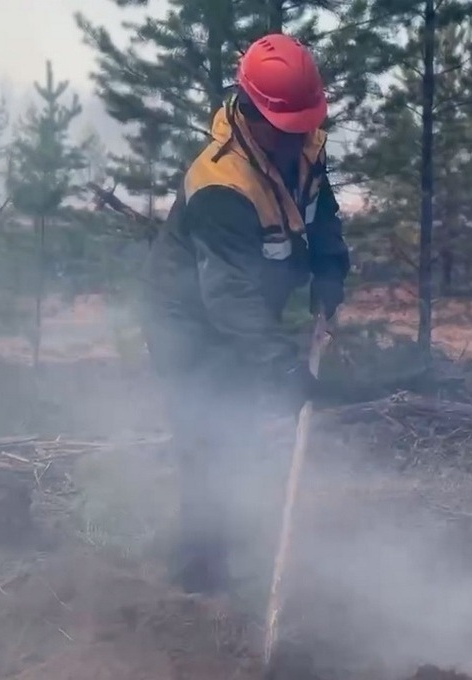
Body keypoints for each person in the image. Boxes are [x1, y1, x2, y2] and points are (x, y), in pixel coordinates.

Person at [141, 33, 350, 595]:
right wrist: (283, 364)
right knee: (208, 432)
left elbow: (320, 211)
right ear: (253, 114)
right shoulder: (220, 184)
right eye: (288, 126)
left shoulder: (303, 145)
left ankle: (241, 537)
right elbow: (229, 295)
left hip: (242, 308)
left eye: (306, 123)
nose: (299, 135)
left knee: (241, 423)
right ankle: (198, 577)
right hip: (187, 320)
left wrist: (330, 268)